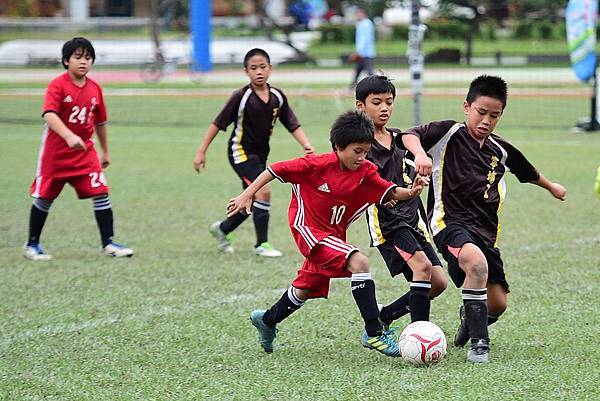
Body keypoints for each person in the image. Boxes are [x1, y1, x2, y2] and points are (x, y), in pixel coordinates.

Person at [227, 110, 429, 356]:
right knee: (359, 261)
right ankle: (375, 333)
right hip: (307, 229)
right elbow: (274, 170)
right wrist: (247, 194)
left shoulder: (365, 171)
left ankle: (268, 320)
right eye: (357, 151)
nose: (362, 157)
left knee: (305, 288)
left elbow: (389, 191)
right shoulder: (315, 165)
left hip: (333, 234)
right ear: (338, 146)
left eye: (365, 151)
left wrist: (412, 191)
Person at [399, 75, 567, 363]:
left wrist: (551, 186)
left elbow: (526, 171)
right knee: (475, 264)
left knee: (498, 304)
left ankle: (469, 318)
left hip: (486, 232)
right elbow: (409, 134)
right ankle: (480, 345)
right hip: (448, 223)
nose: (486, 121)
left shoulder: (499, 149)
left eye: (494, 115)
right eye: (481, 113)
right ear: (467, 107)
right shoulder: (447, 133)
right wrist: (420, 155)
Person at [193, 48, 314, 257]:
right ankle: (262, 244)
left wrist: (307, 145)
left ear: (270, 69)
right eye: (253, 68)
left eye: (263, 67)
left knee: (249, 201)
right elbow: (217, 124)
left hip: (260, 154)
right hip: (240, 151)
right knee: (262, 192)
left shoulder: (277, 96)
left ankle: (222, 229)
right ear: (246, 72)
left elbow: (292, 123)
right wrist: (201, 152)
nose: (259, 72)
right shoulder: (241, 97)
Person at [23, 37, 133, 260]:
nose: (83, 62)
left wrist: (106, 151)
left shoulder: (95, 89)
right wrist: (68, 135)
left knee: (101, 192)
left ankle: (108, 243)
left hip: (85, 153)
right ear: (66, 61)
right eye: (78, 57)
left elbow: (100, 122)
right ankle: (32, 245)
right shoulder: (58, 85)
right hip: (55, 155)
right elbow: (49, 114)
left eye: (88, 57)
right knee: (45, 198)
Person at [355, 75, 447, 326]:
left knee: (438, 283)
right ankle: (421, 334)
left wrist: (419, 158)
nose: (384, 108)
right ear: (360, 106)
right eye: (377, 102)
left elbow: (409, 136)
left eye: (389, 102)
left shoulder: (397, 137)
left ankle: (383, 317)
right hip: (388, 223)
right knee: (422, 269)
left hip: (413, 219)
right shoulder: (359, 146)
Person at [350, 8, 376, 89]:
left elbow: (364, 38)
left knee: (369, 72)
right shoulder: (363, 23)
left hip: (366, 53)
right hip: (363, 53)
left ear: (363, 14)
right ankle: (351, 86)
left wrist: (359, 51)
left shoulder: (365, 24)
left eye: (358, 14)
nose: (357, 16)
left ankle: (376, 86)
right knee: (358, 70)